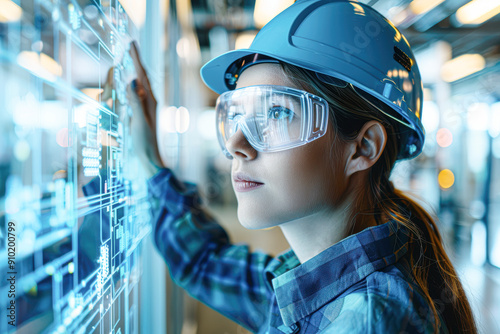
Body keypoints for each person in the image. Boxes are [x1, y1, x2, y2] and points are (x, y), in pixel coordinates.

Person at [127, 0, 478, 333]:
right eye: (237, 115)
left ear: (363, 147)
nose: (236, 145)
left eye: (278, 112)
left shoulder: (368, 321)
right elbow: (204, 263)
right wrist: (150, 162)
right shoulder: (312, 281)